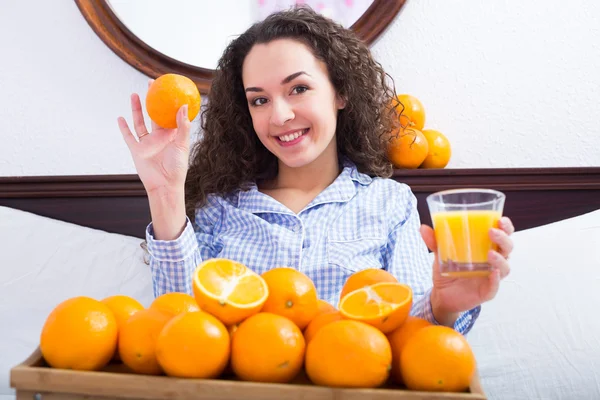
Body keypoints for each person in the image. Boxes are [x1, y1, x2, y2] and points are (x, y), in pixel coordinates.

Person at [117, 6, 514, 334]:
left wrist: (443, 306)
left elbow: (407, 336)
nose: (280, 115)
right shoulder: (220, 209)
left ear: (340, 92)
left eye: (298, 89)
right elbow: (179, 327)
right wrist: (165, 194)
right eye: (259, 100)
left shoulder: (389, 203)